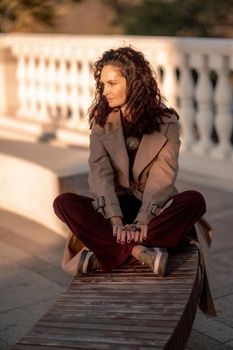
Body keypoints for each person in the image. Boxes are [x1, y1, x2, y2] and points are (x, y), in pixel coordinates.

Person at [53, 46, 206, 278]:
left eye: (112, 83)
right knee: (64, 202)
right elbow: (99, 174)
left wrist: (142, 221)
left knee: (194, 201)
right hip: (115, 209)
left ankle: (107, 253)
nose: (105, 91)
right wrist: (115, 220)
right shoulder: (101, 122)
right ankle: (139, 251)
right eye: (103, 84)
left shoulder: (167, 121)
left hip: (153, 209)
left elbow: (162, 176)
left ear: (134, 82)